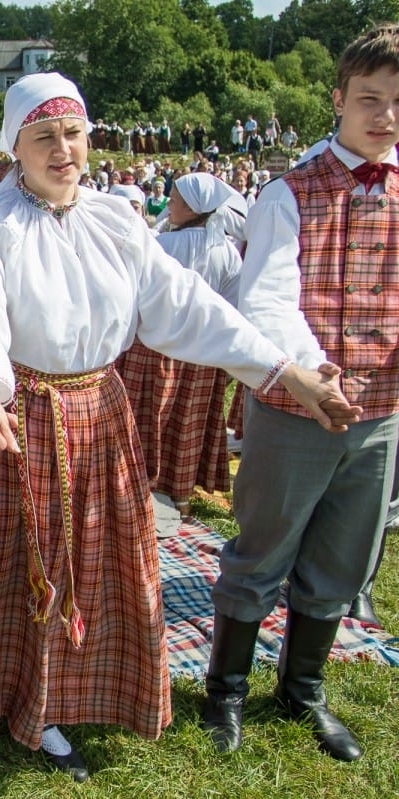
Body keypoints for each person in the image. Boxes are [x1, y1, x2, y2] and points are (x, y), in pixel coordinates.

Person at [0, 72, 359, 799]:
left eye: (74, 134)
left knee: (77, 563)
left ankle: (44, 703)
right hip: (11, 418)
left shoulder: (117, 220)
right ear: (14, 145)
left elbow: (190, 309)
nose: (63, 150)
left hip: (96, 413)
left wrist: (286, 371)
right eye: (44, 136)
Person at [203, 24, 399, 763]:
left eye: (398, 104)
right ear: (339, 98)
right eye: (371, 100)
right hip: (294, 405)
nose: (384, 117)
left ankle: (303, 687)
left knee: (343, 555)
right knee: (261, 550)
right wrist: (317, 373)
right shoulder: (289, 192)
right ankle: (224, 689)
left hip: (381, 408)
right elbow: (269, 300)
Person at [118, 173, 246, 516]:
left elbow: (135, 298)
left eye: (174, 199)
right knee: (187, 424)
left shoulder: (162, 246)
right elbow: (233, 305)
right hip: (202, 352)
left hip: (155, 350)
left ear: (191, 206)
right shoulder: (227, 252)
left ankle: (140, 488)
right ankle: (182, 496)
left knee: (149, 419)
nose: (169, 203)